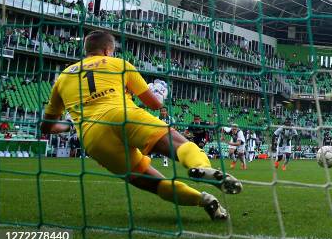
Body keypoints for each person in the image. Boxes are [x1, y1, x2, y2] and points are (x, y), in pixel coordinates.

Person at [41, 31, 241, 221]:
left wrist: (70, 127)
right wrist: (159, 98)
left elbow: (47, 127)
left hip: (93, 136)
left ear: (87, 50)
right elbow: (153, 103)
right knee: (178, 144)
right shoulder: (119, 64)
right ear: (107, 51)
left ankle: (204, 200)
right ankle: (201, 168)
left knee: (155, 183)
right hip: (124, 115)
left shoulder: (64, 77)